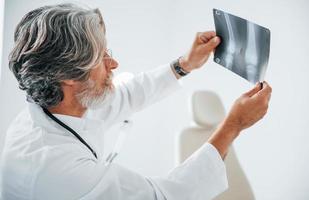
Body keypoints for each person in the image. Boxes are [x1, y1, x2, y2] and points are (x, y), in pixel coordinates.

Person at [0, 3, 272, 200]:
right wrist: (234, 125)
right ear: (68, 76)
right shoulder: (54, 168)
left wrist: (183, 65)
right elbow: (164, 197)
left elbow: (125, 95)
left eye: (108, 51)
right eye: (100, 57)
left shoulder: (56, 106)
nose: (114, 63)